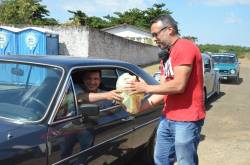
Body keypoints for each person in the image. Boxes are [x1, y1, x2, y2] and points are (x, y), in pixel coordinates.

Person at [126, 14, 205, 165]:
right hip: (168, 117)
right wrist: (138, 108)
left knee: (185, 162)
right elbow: (162, 92)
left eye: (155, 34)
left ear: (169, 29)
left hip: (187, 119)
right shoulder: (165, 56)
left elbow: (179, 85)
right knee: (161, 158)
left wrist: (145, 87)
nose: (154, 38)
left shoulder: (185, 47)